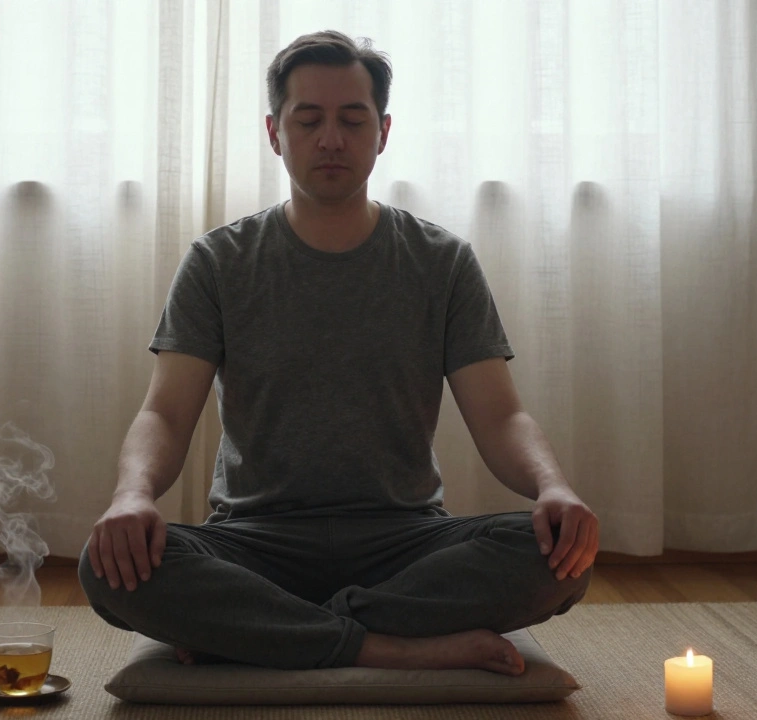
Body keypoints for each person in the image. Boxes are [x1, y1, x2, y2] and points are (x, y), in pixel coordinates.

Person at [78, 30, 597, 675]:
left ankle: (264, 631)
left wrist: (554, 487)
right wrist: (131, 495)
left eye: (352, 120)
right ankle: (389, 644)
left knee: (555, 554)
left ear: (382, 132)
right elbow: (164, 412)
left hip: (405, 541)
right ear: (275, 133)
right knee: (106, 566)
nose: (331, 139)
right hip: (254, 542)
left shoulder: (442, 261)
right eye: (309, 120)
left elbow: (501, 416)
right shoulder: (218, 261)